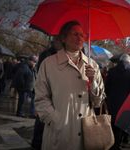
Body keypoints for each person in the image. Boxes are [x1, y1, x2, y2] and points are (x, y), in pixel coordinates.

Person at [35, 20, 105, 150]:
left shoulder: (93, 65)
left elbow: (97, 102)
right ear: (63, 38)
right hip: (59, 133)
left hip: (87, 132)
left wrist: (93, 80)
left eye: (82, 35)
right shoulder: (49, 64)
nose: (80, 38)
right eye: (75, 34)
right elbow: (40, 98)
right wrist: (56, 120)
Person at [31, 36, 62, 150]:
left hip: (61, 100)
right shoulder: (47, 55)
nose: (58, 41)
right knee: (41, 126)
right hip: (47, 96)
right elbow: (42, 80)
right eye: (56, 39)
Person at [105, 53, 130, 150]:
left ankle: (110, 145)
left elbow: (107, 87)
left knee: (111, 125)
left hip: (111, 102)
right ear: (128, 62)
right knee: (120, 127)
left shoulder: (111, 71)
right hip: (125, 104)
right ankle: (116, 145)